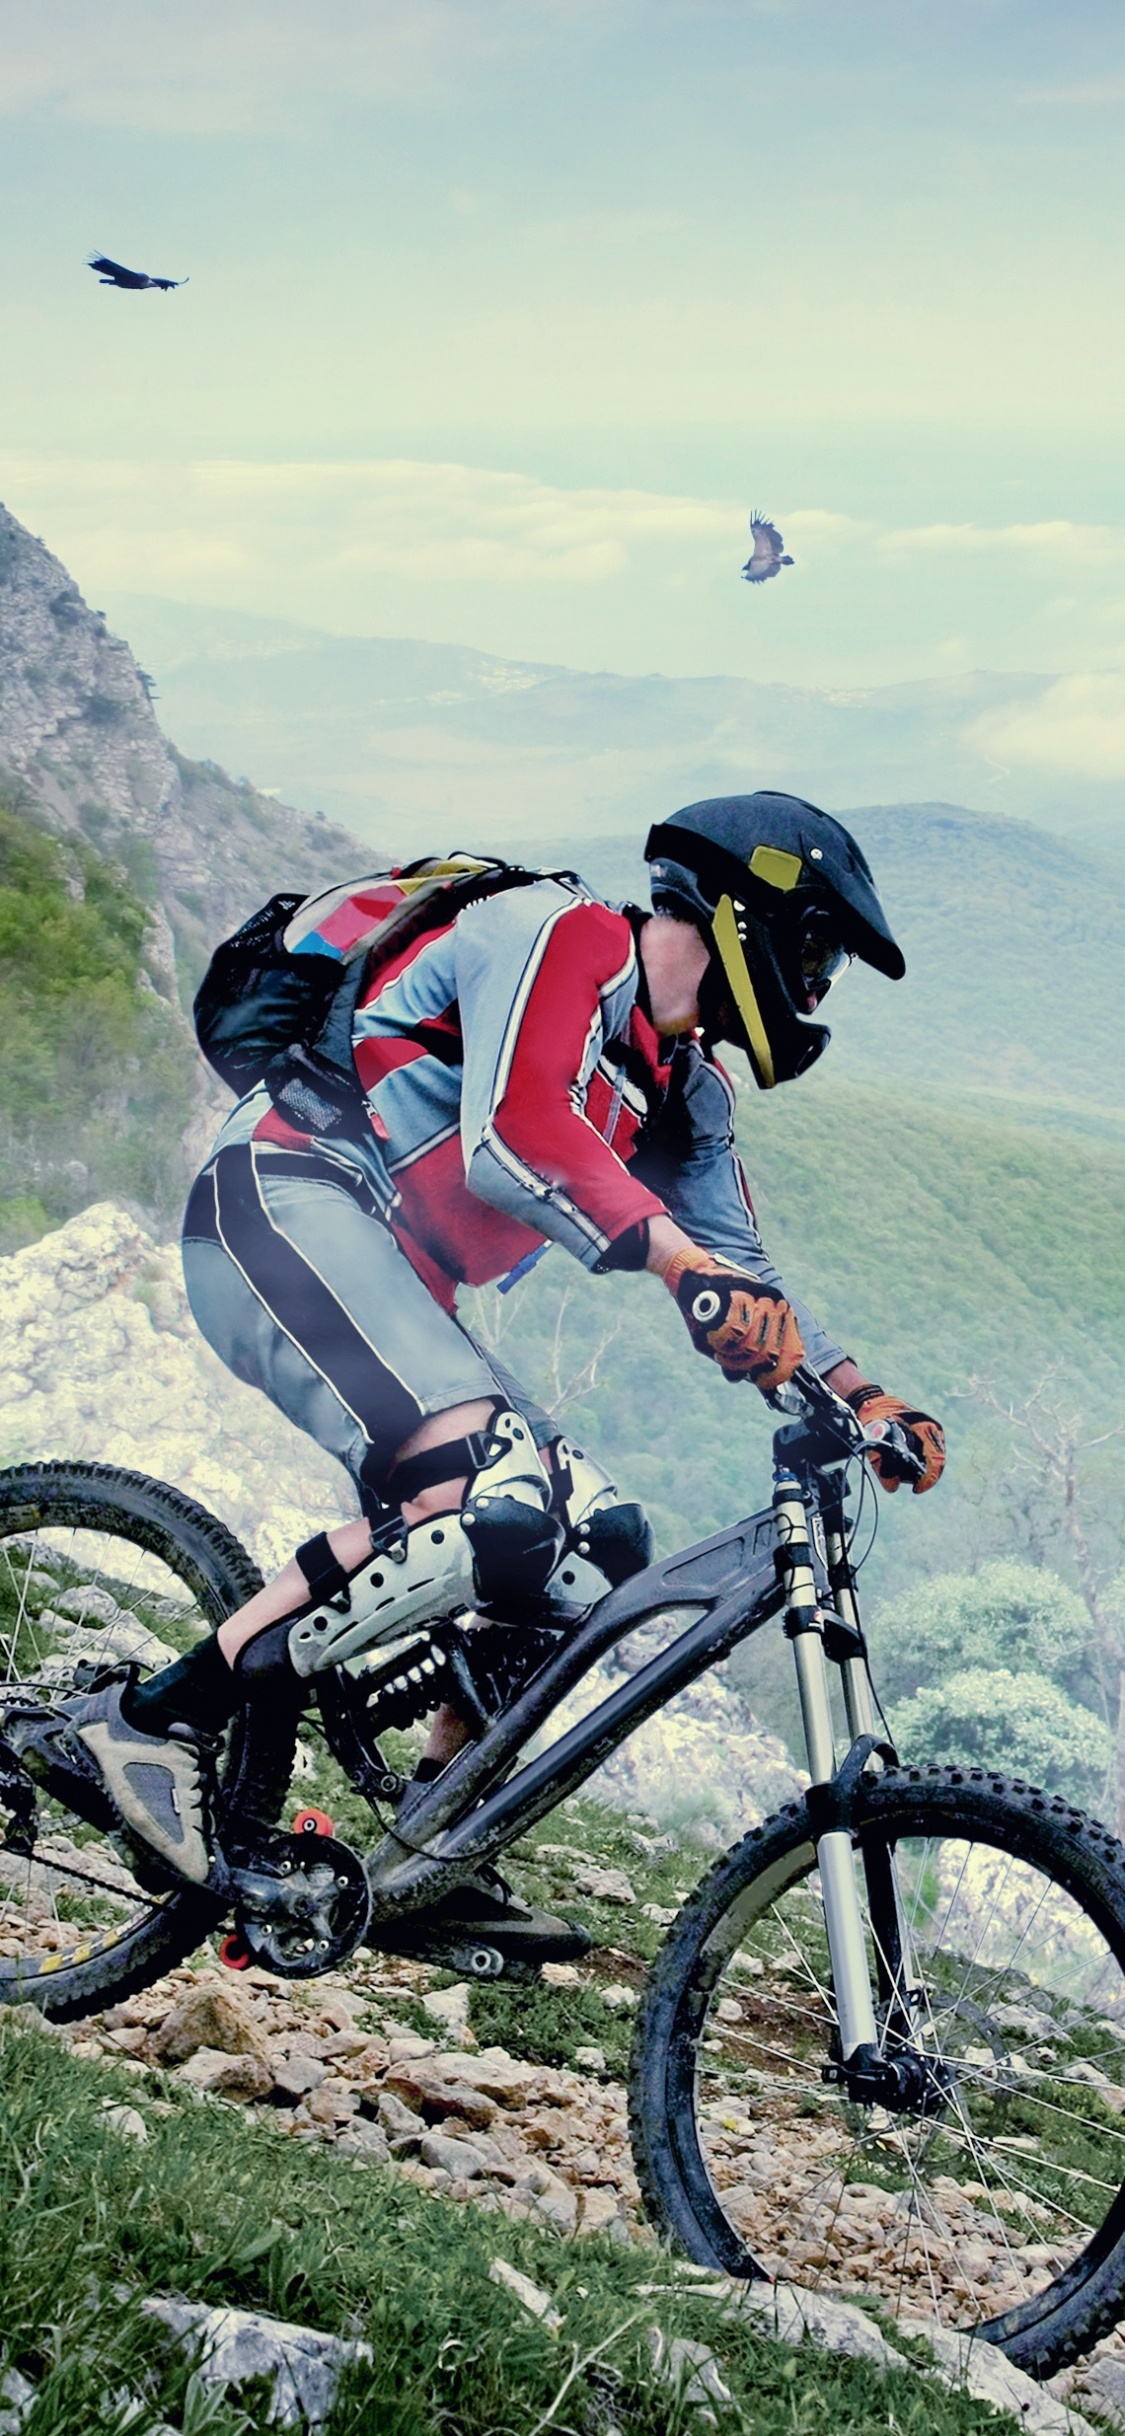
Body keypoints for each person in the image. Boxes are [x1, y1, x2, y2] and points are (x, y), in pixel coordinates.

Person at [56, 793, 944, 1951]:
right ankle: (146, 1722)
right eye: (816, 946)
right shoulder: (565, 935)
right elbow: (517, 1133)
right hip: (285, 1200)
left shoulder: (686, 1089)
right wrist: (681, 1269)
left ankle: (430, 1841)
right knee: (496, 1490)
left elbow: (744, 1268)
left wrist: (858, 1393)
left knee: (602, 1543)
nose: (817, 984)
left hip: (392, 1287)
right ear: (746, 911)